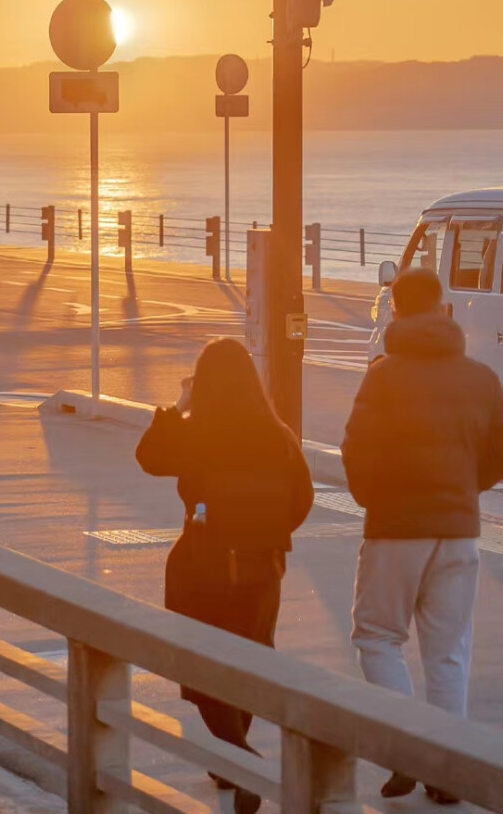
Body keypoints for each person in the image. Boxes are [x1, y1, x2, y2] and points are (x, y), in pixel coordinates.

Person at [342, 266, 503, 803]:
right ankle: (447, 774)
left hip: (396, 528)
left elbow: (356, 451)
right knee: (448, 653)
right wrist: (467, 488)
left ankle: (407, 752)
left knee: (377, 637)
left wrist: (374, 498)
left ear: (395, 309)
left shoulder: (383, 375)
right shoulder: (480, 377)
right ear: (442, 309)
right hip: (458, 530)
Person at [136, 337, 314, 814]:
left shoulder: (199, 431)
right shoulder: (279, 435)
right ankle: (232, 759)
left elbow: (149, 456)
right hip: (261, 569)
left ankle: (238, 758)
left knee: (200, 665)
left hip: (202, 567)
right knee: (248, 660)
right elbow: (302, 501)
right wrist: (265, 533)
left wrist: (179, 405)